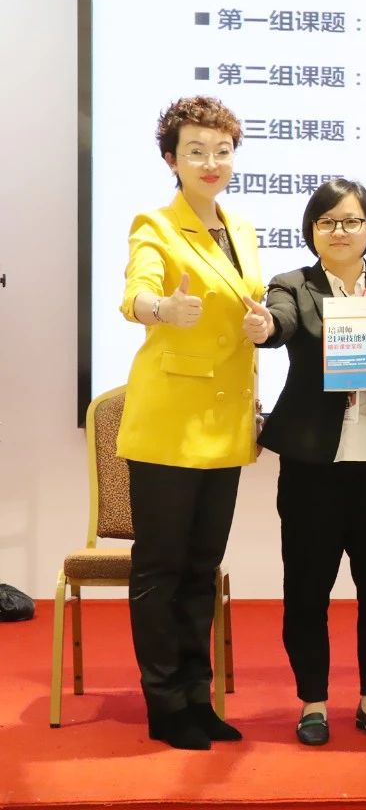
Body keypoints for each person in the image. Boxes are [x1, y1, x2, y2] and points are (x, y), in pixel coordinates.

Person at [249, 179, 366, 746]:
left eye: (352, 220)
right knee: (306, 590)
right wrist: (265, 327)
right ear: (312, 230)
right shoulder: (293, 285)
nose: (340, 231)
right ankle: (313, 703)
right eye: (327, 221)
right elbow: (280, 324)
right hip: (314, 466)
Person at [116, 95, 263, 750]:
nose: (211, 162)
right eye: (196, 151)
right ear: (171, 159)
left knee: (203, 568)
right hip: (169, 424)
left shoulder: (243, 228)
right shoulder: (155, 224)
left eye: (222, 150)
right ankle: (164, 702)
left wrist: (263, 323)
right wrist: (160, 310)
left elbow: (245, 306)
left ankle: (198, 698)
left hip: (226, 424)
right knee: (161, 568)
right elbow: (136, 291)